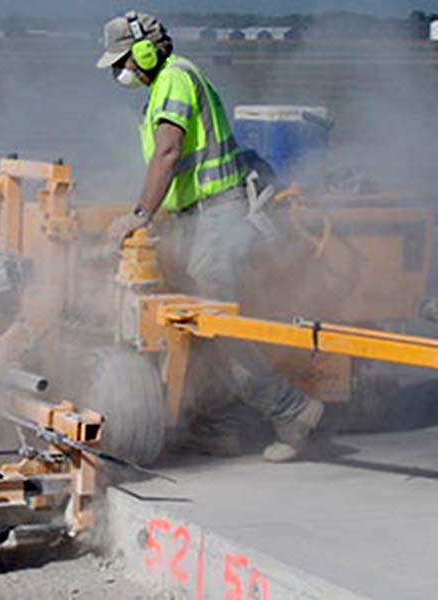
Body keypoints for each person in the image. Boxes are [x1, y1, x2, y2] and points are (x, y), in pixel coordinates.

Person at [98, 11, 323, 462]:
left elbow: (167, 153)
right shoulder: (161, 89)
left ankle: (293, 409)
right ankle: (217, 427)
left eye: (124, 61)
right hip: (195, 220)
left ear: (145, 51)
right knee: (193, 330)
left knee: (216, 328)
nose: (121, 72)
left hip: (218, 217)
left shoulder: (176, 79)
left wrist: (139, 214)